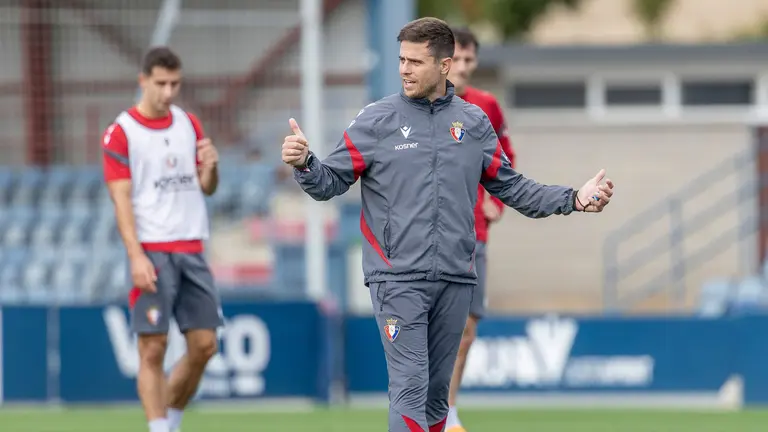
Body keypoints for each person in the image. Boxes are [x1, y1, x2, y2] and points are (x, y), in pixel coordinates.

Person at [281, 17, 614, 432]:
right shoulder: (376, 120)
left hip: (457, 276)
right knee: (409, 388)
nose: (403, 69)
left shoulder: (473, 123)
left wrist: (573, 199)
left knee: (438, 397)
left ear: (443, 65)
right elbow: (329, 182)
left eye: (415, 62)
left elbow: (513, 188)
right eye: (401, 59)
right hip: (396, 278)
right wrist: (306, 163)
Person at [102, 46, 223, 432]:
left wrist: (212, 168)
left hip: (192, 246)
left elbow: (206, 187)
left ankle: (170, 420)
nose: (168, 92)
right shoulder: (122, 132)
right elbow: (121, 200)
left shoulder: (189, 123)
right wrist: (136, 257)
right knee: (152, 348)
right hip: (153, 250)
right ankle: (160, 427)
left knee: (205, 346)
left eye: (175, 84)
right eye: (161, 84)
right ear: (143, 80)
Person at [444, 26, 513, 432]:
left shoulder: (487, 106)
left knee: (466, 328)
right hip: (428, 236)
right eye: (459, 59)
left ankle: (449, 411)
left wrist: (497, 200)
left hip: (474, 233)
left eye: (472, 60)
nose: (466, 67)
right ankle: (423, 404)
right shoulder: (421, 106)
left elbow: (505, 159)